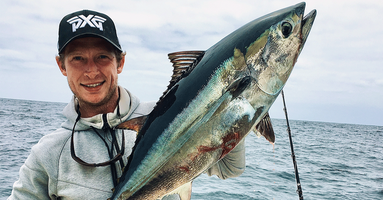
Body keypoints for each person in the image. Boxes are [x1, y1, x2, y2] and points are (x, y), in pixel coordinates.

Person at [8, 10, 245, 200]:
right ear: (62, 66)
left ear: (120, 62)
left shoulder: (165, 116)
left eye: (102, 56)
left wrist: (232, 109)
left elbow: (229, 169)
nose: (91, 71)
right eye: (78, 58)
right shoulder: (49, 152)